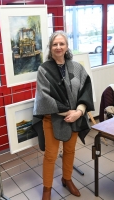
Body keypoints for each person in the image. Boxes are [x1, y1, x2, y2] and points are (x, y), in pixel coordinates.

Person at [32, 30, 94, 200]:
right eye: (55, 44)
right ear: (50, 48)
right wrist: (69, 112)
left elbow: (85, 90)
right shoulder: (44, 70)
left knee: (70, 150)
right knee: (51, 155)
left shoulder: (77, 67)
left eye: (62, 44)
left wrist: (79, 112)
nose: (58, 47)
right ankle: (47, 189)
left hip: (74, 116)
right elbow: (44, 98)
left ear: (67, 46)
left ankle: (67, 179)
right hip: (52, 118)